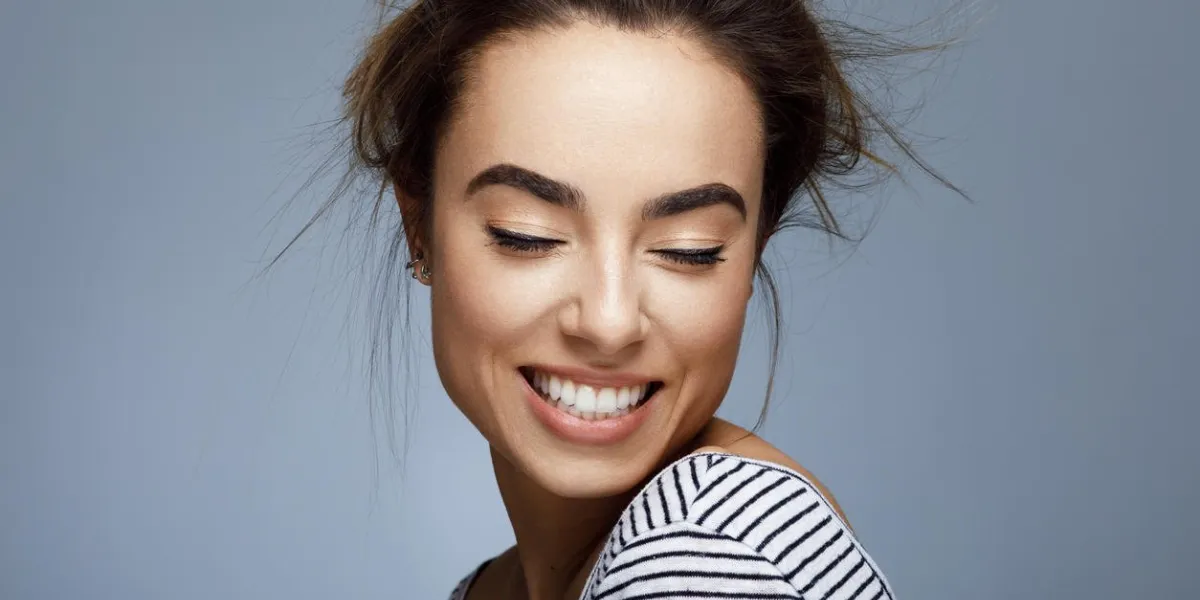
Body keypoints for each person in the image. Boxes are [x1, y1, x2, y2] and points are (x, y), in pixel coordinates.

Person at [283, 0, 960, 597]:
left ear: (754, 248)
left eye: (687, 249)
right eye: (528, 235)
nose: (609, 321)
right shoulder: (492, 587)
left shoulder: (707, 553)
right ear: (418, 224)